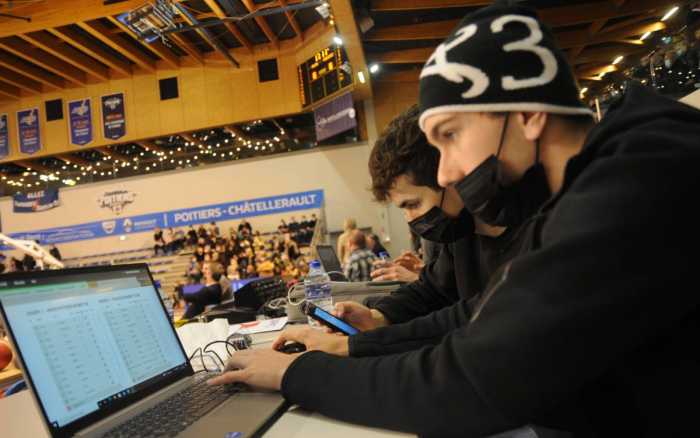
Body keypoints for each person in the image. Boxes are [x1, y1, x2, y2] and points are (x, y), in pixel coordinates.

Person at [208, 3, 700, 436]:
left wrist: (296, 375)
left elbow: (471, 383)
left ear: (525, 111)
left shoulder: (640, 175)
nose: (446, 171)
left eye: (450, 134)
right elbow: (483, 314)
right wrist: (353, 349)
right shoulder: (581, 191)